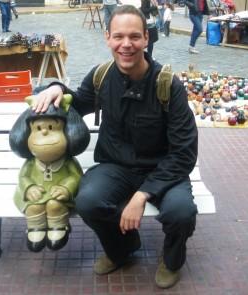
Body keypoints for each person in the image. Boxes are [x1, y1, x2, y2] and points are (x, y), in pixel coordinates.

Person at [32, 4, 198, 289]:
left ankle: (172, 260)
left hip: (163, 171)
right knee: (88, 201)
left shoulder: (167, 85)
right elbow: (77, 101)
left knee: (181, 212)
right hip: (116, 167)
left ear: (146, 38)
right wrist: (57, 87)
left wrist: (142, 195)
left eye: (134, 37)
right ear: (107, 37)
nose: (126, 45)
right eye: (118, 36)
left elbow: (184, 153)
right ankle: (122, 248)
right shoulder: (101, 76)